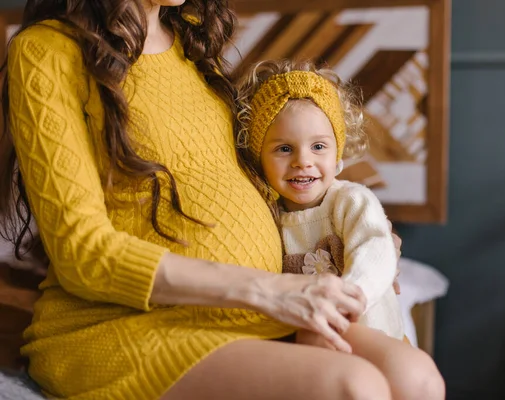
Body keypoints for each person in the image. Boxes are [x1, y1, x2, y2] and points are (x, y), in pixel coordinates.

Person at [0, 1, 428, 400]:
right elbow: (83, 254)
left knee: (416, 378)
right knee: (355, 386)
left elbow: (245, 186)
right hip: (124, 324)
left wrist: (349, 237)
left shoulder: (190, 44)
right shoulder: (46, 51)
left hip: (249, 311)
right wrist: (271, 290)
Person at [235, 59, 445, 400]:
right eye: (284, 148)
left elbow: (375, 249)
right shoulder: (267, 217)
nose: (303, 160)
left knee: (414, 384)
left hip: (370, 330)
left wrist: (349, 297)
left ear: (338, 155)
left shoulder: (350, 200)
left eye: (318, 146)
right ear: (259, 156)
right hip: (315, 346)